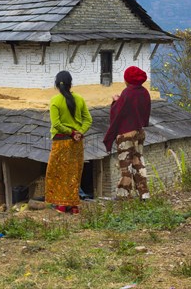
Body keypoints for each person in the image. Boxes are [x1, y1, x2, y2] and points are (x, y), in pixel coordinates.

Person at [45, 71, 93, 214]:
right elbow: (88, 120)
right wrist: (79, 133)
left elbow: (56, 124)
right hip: (76, 143)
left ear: (56, 85)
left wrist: (71, 133)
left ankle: (61, 204)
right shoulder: (80, 99)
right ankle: (73, 206)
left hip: (60, 142)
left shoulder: (55, 100)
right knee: (73, 173)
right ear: (70, 84)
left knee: (58, 173)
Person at [103, 66, 151, 200]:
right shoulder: (145, 92)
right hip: (140, 131)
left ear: (127, 79)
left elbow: (118, 113)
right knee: (138, 162)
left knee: (126, 165)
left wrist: (115, 101)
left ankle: (124, 194)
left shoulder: (127, 93)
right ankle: (144, 193)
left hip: (126, 134)